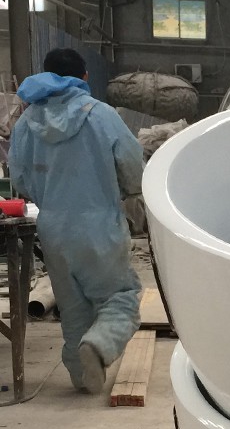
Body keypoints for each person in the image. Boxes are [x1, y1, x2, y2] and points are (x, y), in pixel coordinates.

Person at [9, 48, 144, 393]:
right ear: (84, 77)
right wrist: (129, 193)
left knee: (73, 309)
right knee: (120, 297)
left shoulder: (26, 123)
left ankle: (82, 379)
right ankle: (99, 344)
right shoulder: (101, 115)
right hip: (99, 226)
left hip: (53, 229)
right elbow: (132, 166)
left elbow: (20, 179)